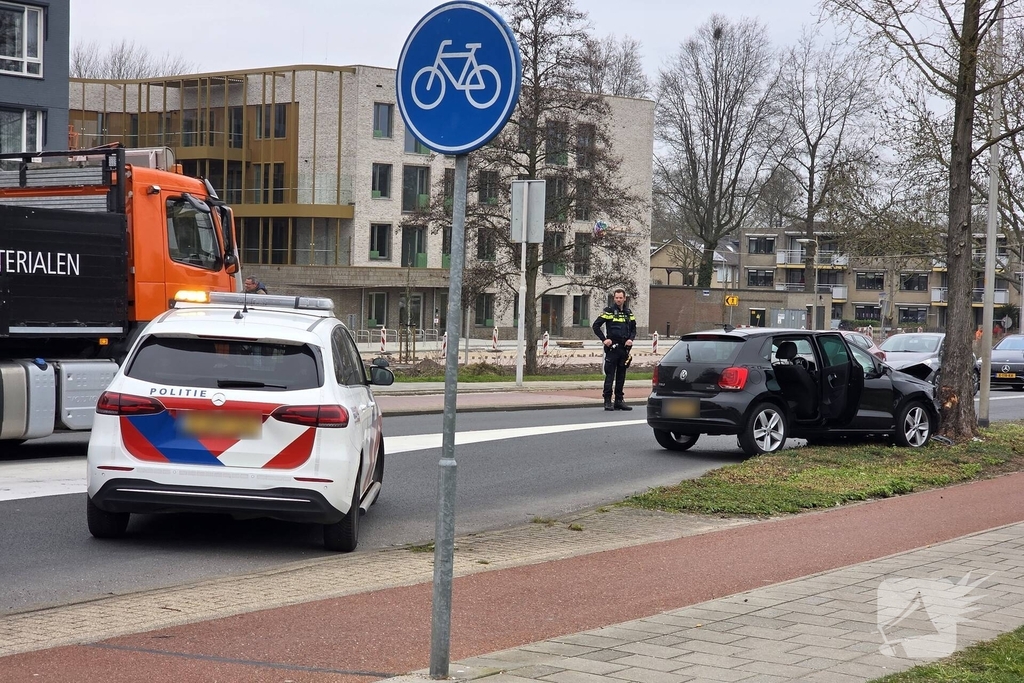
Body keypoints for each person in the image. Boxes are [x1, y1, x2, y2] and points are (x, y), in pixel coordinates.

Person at [592, 288, 637, 411]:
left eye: (620, 298)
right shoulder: (609, 311)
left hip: (624, 348)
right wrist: (604, 340)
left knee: (621, 376)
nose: (618, 300)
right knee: (610, 375)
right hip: (612, 348)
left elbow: (633, 329)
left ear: (624, 298)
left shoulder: (629, 313)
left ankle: (619, 401)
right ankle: (607, 401)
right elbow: (596, 326)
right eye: (616, 298)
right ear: (614, 298)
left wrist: (631, 339)